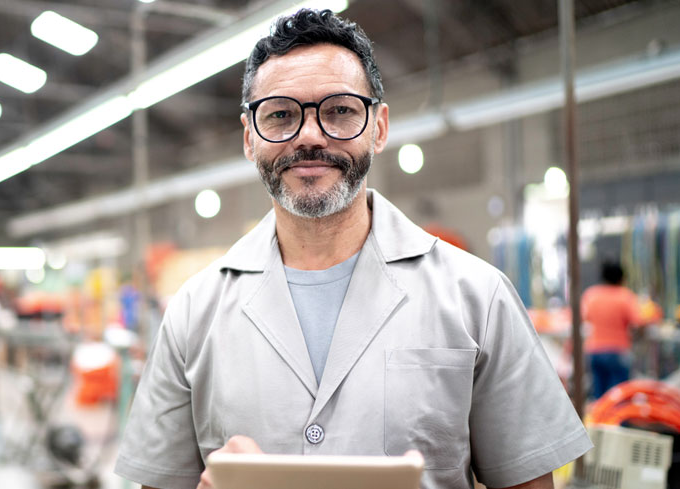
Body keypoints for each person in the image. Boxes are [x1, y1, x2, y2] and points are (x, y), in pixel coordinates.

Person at [115, 9, 591, 489]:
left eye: (339, 110)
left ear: (379, 126)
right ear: (248, 138)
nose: (309, 136)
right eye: (280, 115)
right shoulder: (194, 314)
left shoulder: (478, 298)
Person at [581, 261, 647, 400]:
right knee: (619, 397)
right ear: (621, 278)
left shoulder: (591, 295)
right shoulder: (625, 296)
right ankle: (616, 421)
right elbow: (639, 323)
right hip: (618, 351)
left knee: (599, 396)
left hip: (594, 351)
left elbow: (584, 318)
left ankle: (598, 421)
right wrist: (635, 339)